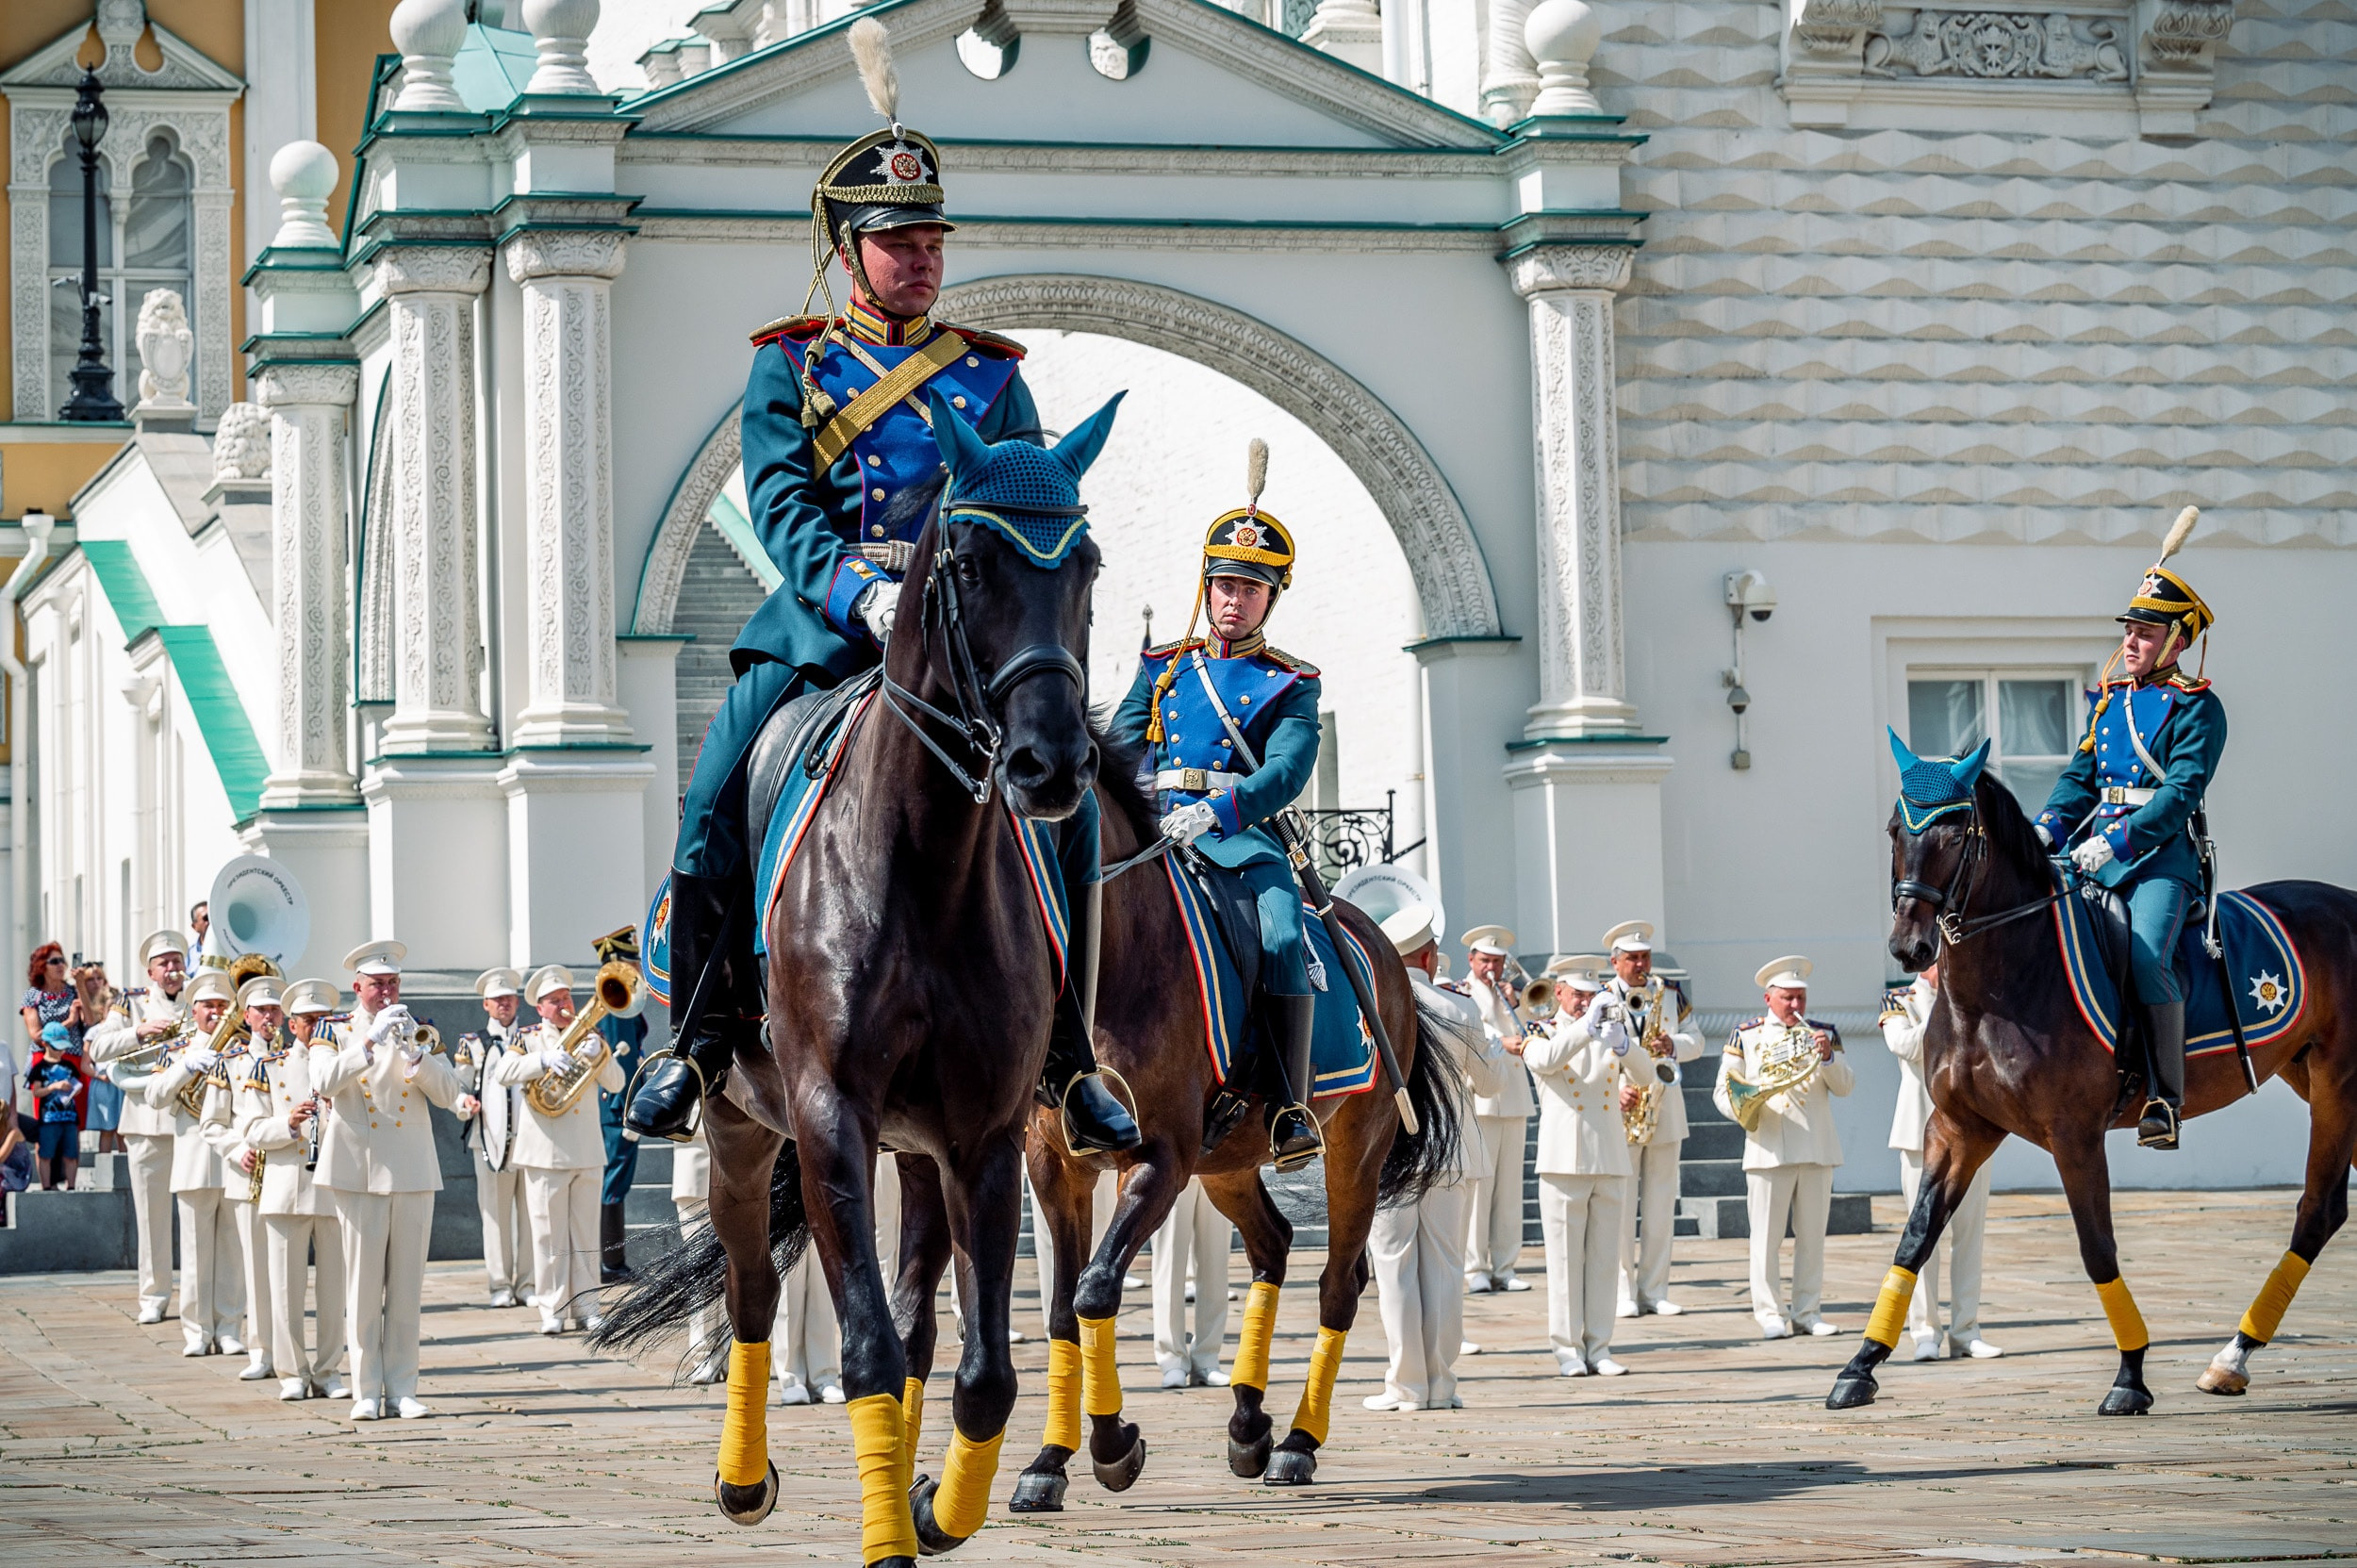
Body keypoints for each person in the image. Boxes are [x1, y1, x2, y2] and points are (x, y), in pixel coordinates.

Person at [624, 53, 1132, 1158]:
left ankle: (1070, 1059)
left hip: (960, 651)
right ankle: (698, 1037)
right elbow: (778, 504)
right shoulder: (792, 368)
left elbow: (1027, 501)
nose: (921, 261)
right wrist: (860, 588)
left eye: (933, 242)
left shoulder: (991, 378)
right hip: (819, 637)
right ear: (848, 249)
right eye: (900, 243)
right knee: (713, 799)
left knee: (1077, 806)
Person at [1109, 454, 1326, 1168]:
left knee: (1283, 933)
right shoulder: (1163, 666)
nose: (1234, 600)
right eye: (1224, 585)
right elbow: (1119, 751)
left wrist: (1219, 812)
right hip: (1154, 835)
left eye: (1250, 589)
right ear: (1206, 589)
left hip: (1238, 842)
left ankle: (1289, 1104)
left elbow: (1288, 769)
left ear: (1272, 599)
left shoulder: (1290, 683)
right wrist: (1135, 812)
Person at [2033, 527, 2224, 1150]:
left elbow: (2179, 796)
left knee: (2145, 954)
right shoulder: (2109, 702)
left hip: (2161, 862)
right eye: (2129, 629)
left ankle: (2164, 1098)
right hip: (2097, 854)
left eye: (2146, 631)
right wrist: (2047, 828)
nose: (2131, 641)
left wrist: (2117, 842)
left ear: (2178, 638)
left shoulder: (2198, 708)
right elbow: (2078, 779)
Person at [310, 939, 460, 1420]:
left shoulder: (420, 1031)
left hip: (412, 1168)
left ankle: (403, 1387)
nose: (387, 992)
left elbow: (450, 1094)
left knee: (407, 1288)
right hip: (358, 1170)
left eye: (393, 983)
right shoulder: (333, 1032)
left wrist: (419, 1059)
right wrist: (368, 1042)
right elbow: (325, 1082)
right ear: (358, 987)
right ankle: (365, 1391)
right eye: (378, 984)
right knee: (363, 1284)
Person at [1363, 903, 1501, 1412]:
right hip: (1452, 1151)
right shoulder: (1460, 1008)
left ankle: (1407, 1386)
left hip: (1390, 1150)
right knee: (1445, 1268)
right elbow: (1490, 1083)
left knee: (1395, 1268)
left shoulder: (1373, 1006)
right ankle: (1442, 1383)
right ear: (1429, 955)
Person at [1716, 956, 1854, 1339]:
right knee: (1766, 1238)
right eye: (1788, 998)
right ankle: (1770, 1312)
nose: (1795, 1006)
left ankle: (1809, 1311)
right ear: (1768, 998)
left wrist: (1827, 1057)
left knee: (1812, 1238)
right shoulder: (1747, 1035)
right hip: (1769, 1146)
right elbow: (1724, 1091)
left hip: (1815, 1146)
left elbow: (1844, 1087)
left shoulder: (1824, 1032)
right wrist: (1748, 1110)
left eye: (1800, 998)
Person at [228, 975, 349, 1400]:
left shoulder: (344, 1064)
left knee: (335, 1289)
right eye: (306, 1020)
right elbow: (251, 1129)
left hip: (334, 1187)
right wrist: (289, 1124)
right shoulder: (271, 1066)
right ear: (291, 1025)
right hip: (285, 1187)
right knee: (283, 1289)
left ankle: (330, 1369)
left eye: (322, 1020)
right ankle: (292, 1372)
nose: (315, 1028)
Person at [1881, 965, 2002, 1362]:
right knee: (1923, 1236)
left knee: (1970, 1238)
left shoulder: (1973, 997)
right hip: (1919, 1134)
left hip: (1973, 1129)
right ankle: (1924, 1332)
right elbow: (1909, 1046)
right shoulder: (1900, 1001)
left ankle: (1966, 1330)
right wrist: (1946, 1006)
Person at [495, 966, 623, 1335]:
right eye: (555, 1001)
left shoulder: (590, 1034)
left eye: (567, 997)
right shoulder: (527, 1037)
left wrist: (602, 1054)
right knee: (548, 1234)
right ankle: (552, 1307)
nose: (565, 1005)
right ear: (540, 1008)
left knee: (585, 1233)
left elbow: (615, 1084)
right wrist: (543, 1061)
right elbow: (503, 1072)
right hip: (545, 1152)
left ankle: (588, 1306)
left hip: (586, 1149)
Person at [1525, 958, 1632, 1377]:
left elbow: (1644, 1074)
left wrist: (1625, 1043)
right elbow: (1545, 1060)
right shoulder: (1542, 1030)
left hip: (1608, 1154)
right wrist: (1586, 1027)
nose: (1587, 1001)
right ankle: (1567, 1348)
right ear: (1560, 994)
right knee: (1566, 1262)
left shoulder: (1608, 1028)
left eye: (1592, 994)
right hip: (1562, 1158)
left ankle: (1600, 1346)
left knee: (1605, 1258)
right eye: (1579, 995)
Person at [1595, 921, 1704, 1317]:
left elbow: (1698, 1040)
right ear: (1615, 962)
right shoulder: (1600, 998)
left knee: (1660, 1205)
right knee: (1621, 1208)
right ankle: (1623, 1291)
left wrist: (1675, 1043)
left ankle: (1655, 1290)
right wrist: (1612, 1088)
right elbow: (1592, 1051)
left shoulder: (1669, 994)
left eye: (1645, 957)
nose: (1641, 965)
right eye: (1632, 958)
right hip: (1621, 1108)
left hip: (1665, 1109)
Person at [90, 930, 193, 1322]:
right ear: (150, 971)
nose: (172, 969)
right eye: (164, 963)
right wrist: (137, 1032)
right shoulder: (130, 1003)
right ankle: (154, 1296)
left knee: (198, 1217)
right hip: (146, 1121)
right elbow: (98, 1049)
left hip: (189, 1120)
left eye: (177, 961)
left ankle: (201, 1302)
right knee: (150, 1215)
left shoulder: (199, 1000)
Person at [147, 968, 245, 1357]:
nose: (216, 1012)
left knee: (232, 1253)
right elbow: (154, 1096)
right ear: (194, 1008)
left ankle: (230, 1327)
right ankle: (196, 1330)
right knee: (194, 1251)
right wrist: (185, 1066)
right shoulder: (177, 1047)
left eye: (222, 1005)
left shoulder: (240, 1046)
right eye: (208, 1005)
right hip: (192, 1162)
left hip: (234, 1158)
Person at [1451, 924, 1535, 1294]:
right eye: (1486, 960)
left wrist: (1515, 1003)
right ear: (1472, 959)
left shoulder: (1510, 994)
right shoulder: (1462, 991)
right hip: (1482, 1098)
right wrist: (1502, 1039)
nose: (1492, 968)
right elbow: (1467, 1036)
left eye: (1498, 962)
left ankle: (1506, 1264)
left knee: (1509, 1188)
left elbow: (1537, 1028)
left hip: (1514, 1096)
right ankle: (1476, 1266)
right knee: (1481, 1188)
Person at [201, 982, 277, 1384]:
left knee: (289, 1272)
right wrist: (236, 1149)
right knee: (255, 1268)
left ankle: (290, 1352)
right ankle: (261, 1350)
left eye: (275, 1010)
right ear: (246, 1016)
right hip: (247, 1176)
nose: (269, 1017)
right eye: (260, 1010)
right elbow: (211, 1123)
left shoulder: (293, 1058)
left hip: (288, 1175)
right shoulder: (228, 1061)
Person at [455, 966, 529, 1308]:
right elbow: (459, 1088)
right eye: (498, 1000)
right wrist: (465, 1104)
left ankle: (528, 1284)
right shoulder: (471, 1044)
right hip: (488, 1138)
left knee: (531, 1215)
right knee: (494, 1215)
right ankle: (499, 1284)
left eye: (510, 999)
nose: (505, 1005)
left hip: (529, 1139)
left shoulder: (531, 1038)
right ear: (485, 1005)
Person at [589, 925, 648, 1285]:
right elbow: (621, 1061)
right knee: (613, 1182)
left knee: (615, 1182)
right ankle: (611, 1263)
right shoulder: (616, 1006)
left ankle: (612, 1260)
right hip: (617, 1106)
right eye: (634, 960)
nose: (639, 968)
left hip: (618, 1104)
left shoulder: (619, 1006)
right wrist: (629, 1105)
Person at [1151, 1176, 1233, 1390]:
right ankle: (1172, 1360)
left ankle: (1208, 1358)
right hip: (1173, 1161)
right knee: (1169, 1260)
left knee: (1216, 1261)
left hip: (1218, 1161)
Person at [26, 1021, 90, 1189]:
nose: (61, 1051)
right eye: (57, 1047)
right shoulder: (39, 1068)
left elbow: (77, 1083)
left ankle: (71, 1186)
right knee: (46, 1154)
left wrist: (75, 1089)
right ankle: (46, 1187)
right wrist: (54, 1087)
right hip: (48, 1119)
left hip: (69, 1118)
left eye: (63, 1048)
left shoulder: (68, 1066)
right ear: (45, 1044)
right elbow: (36, 1092)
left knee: (71, 1154)